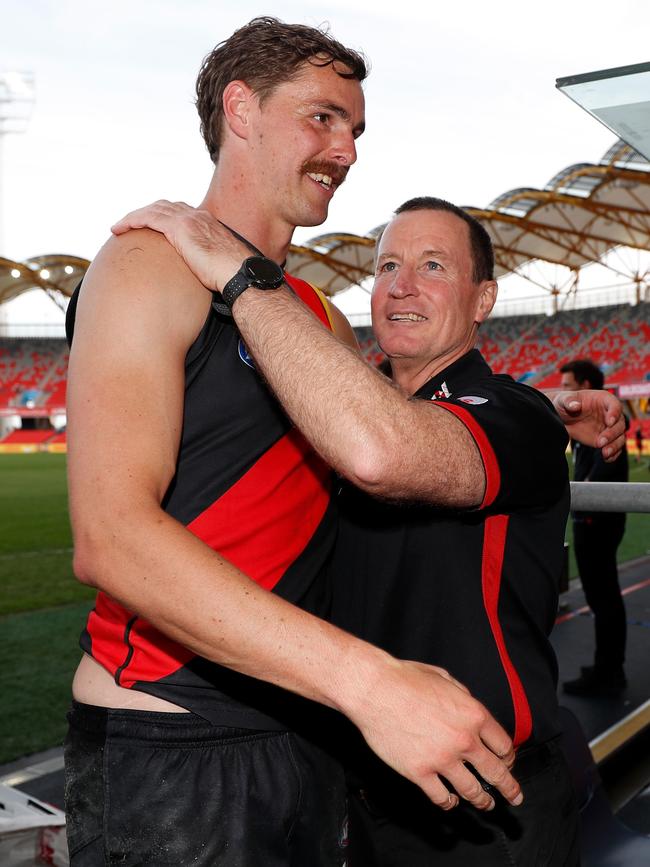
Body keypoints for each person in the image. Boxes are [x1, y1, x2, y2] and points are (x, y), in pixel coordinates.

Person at [64, 18, 528, 867]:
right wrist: (370, 681)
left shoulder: (312, 316)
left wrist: (557, 408)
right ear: (240, 109)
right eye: (322, 118)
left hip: (308, 731)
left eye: (355, 129)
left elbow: (386, 441)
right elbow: (112, 539)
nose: (346, 149)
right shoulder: (144, 265)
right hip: (175, 741)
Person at [112, 197, 628, 866]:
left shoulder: (517, 415)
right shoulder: (340, 412)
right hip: (359, 795)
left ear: (483, 299)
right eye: (388, 266)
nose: (402, 284)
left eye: (433, 265)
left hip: (487, 810)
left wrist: (240, 272)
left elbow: (388, 450)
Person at [560, 359, 629, 697]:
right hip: (592, 522)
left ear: (585, 384)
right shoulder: (584, 422)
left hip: (598, 524)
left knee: (605, 600)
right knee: (602, 599)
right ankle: (607, 664)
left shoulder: (603, 420)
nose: (564, 392)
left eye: (569, 385)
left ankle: (609, 671)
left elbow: (603, 474)